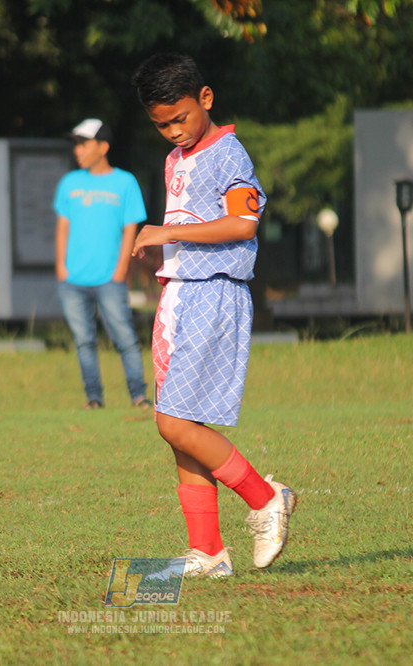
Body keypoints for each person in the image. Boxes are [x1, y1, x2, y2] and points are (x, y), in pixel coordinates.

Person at [130, 53, 297, 576]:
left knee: (172, 422)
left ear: (205, 99)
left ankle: (265, 496)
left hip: (213, 293)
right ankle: (207, 551)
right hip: (178, 295)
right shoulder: (176, 159)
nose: (173, 131)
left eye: (180, 118)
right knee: (184, 425)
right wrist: (163, 253)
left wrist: (168, 234)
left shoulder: (228, 151)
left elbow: (243, 223)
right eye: (161, 125)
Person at [53, 118, 152, 410]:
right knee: (84, 341)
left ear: (103, 147)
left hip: (110, 278)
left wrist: (121, 269)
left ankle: (139, 397)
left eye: (83, 144)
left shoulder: (125, 182)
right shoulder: (69, 183)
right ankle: (94, 399)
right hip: (73, 280)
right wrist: (61, 266)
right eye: (76, 145)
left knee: (124, 338)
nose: (78, 150)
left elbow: (130, 229)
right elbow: (62, 228)